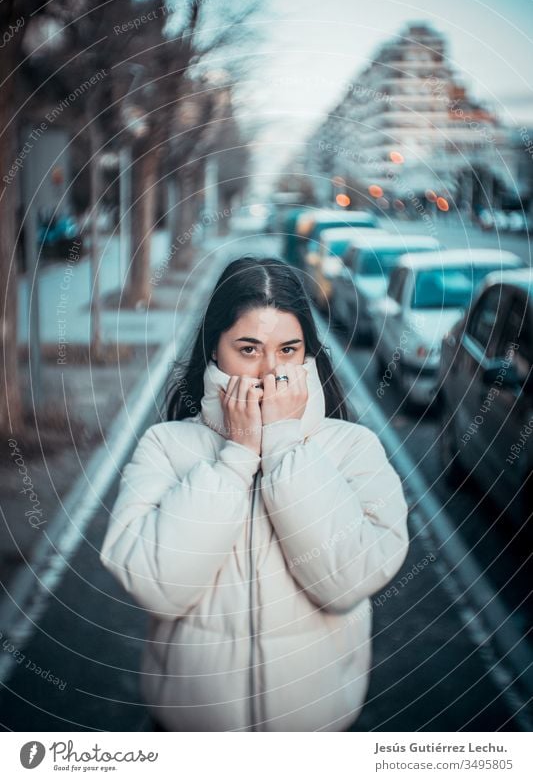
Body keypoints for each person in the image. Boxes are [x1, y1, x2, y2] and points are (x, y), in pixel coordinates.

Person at [100, 255, 409, 732]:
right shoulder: (166, 446)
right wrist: (235, 460)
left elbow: (348, 581)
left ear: (308, 356)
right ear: (214, 352)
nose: (271, 372)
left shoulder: (353, 449)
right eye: (248, 349)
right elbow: (156, 584)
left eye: (288, 350)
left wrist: (284, 443)